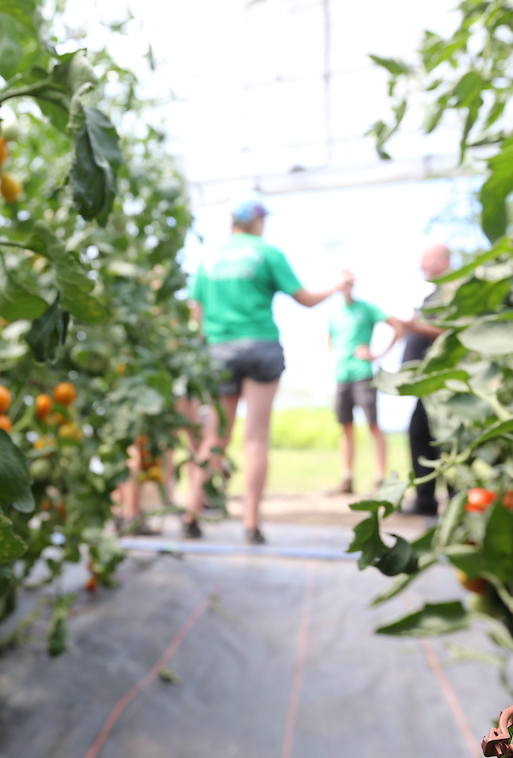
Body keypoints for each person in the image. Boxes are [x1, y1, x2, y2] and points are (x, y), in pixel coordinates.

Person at [186, 198, 350, 544]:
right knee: (256, 438)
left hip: (218, 351)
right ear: (257, 222)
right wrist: (336, 287)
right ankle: (250, 524)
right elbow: (304, 299)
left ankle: (190, 515)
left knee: (213, 437)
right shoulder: (267, 253)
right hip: (260, 346)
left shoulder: (208, 259)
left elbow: (195, 314)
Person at [326, 273, 405, 496]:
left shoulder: (367, 309)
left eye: (349, 282)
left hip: (363, 374)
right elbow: (329, 339)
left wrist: (378, 355)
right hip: (342, 375)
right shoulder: (335, 315)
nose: (346, 286)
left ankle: (379, 478)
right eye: (342, 282)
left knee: (373, 425)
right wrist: (336, 357)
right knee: (346, 427)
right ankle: (347, 479)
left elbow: (397, 327)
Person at [401, 245, 452, 516]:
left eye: (427, 260)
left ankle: (456, 499)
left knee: (445, 439)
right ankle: (425, 501)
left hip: (443, 383)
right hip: (426, 384)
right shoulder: (432, 295)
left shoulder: (453, 292)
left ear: (444, 261)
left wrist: (413, 326)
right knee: (419, 435)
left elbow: (450, 331)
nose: (422, 264)